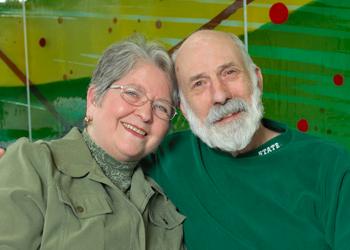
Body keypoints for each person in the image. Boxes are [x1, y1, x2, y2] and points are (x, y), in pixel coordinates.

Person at [144, 30, 350, 249]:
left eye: (229, 72)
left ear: (257, 80)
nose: (220, 96)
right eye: (199, 84)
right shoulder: (166, 157)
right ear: (183, 108)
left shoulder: (332, 167)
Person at [0, 36, 185, 250]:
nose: (145, 114)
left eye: (161, 107)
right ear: (94, 97)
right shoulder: (34, 165)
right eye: (133, 94)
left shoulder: (163, 202)